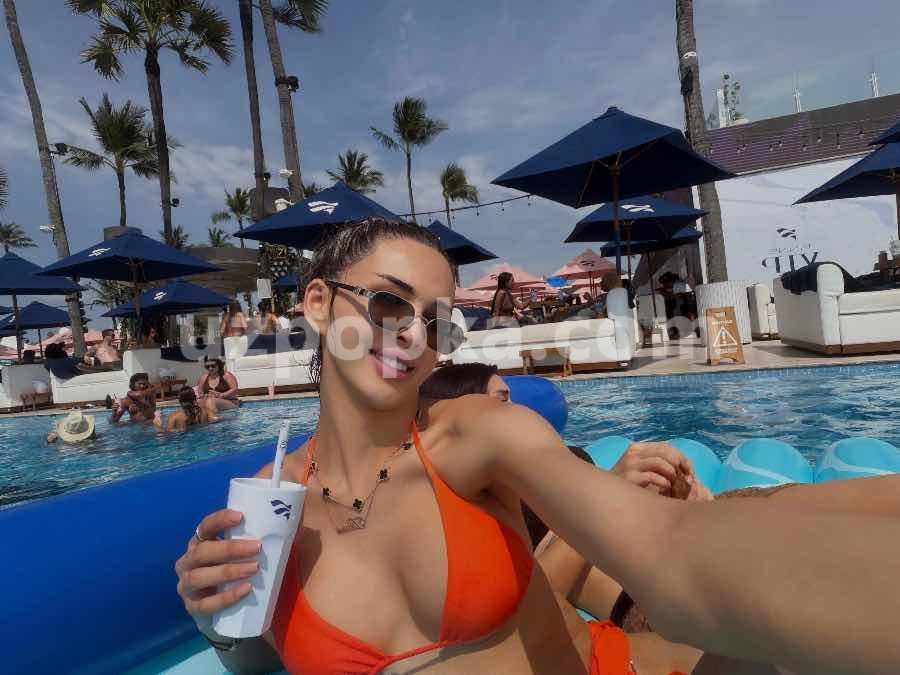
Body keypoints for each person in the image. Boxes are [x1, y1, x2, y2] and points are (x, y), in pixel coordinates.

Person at [175, 218, 900, 675]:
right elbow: (261, 665)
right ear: (317, 303)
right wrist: (219, 623)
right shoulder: (272, 497)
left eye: (440, 322)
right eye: (390, 303)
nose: (415, 336)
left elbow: (669, 552)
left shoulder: (471, 435)